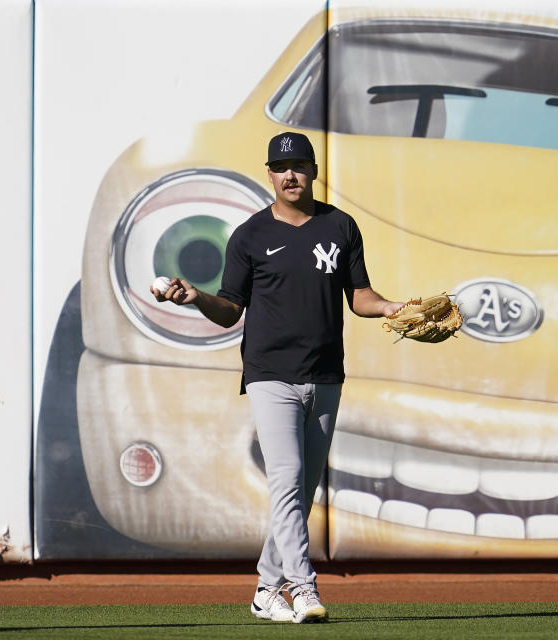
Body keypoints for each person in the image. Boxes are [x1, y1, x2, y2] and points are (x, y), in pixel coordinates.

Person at [151, 131, 403, 623]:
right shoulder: (249, 236)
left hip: (327, 375)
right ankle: (302, 588)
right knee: (286, 485)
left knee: (301, 492)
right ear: (269, 173)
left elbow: (361, 297)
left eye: (300, 165)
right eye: (281, 167)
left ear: (312, 170)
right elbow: (229, 311)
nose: (291, 175)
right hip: (270, 375)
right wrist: (196, 297)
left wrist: (394, 307)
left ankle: (266, 588)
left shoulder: (340, 226)